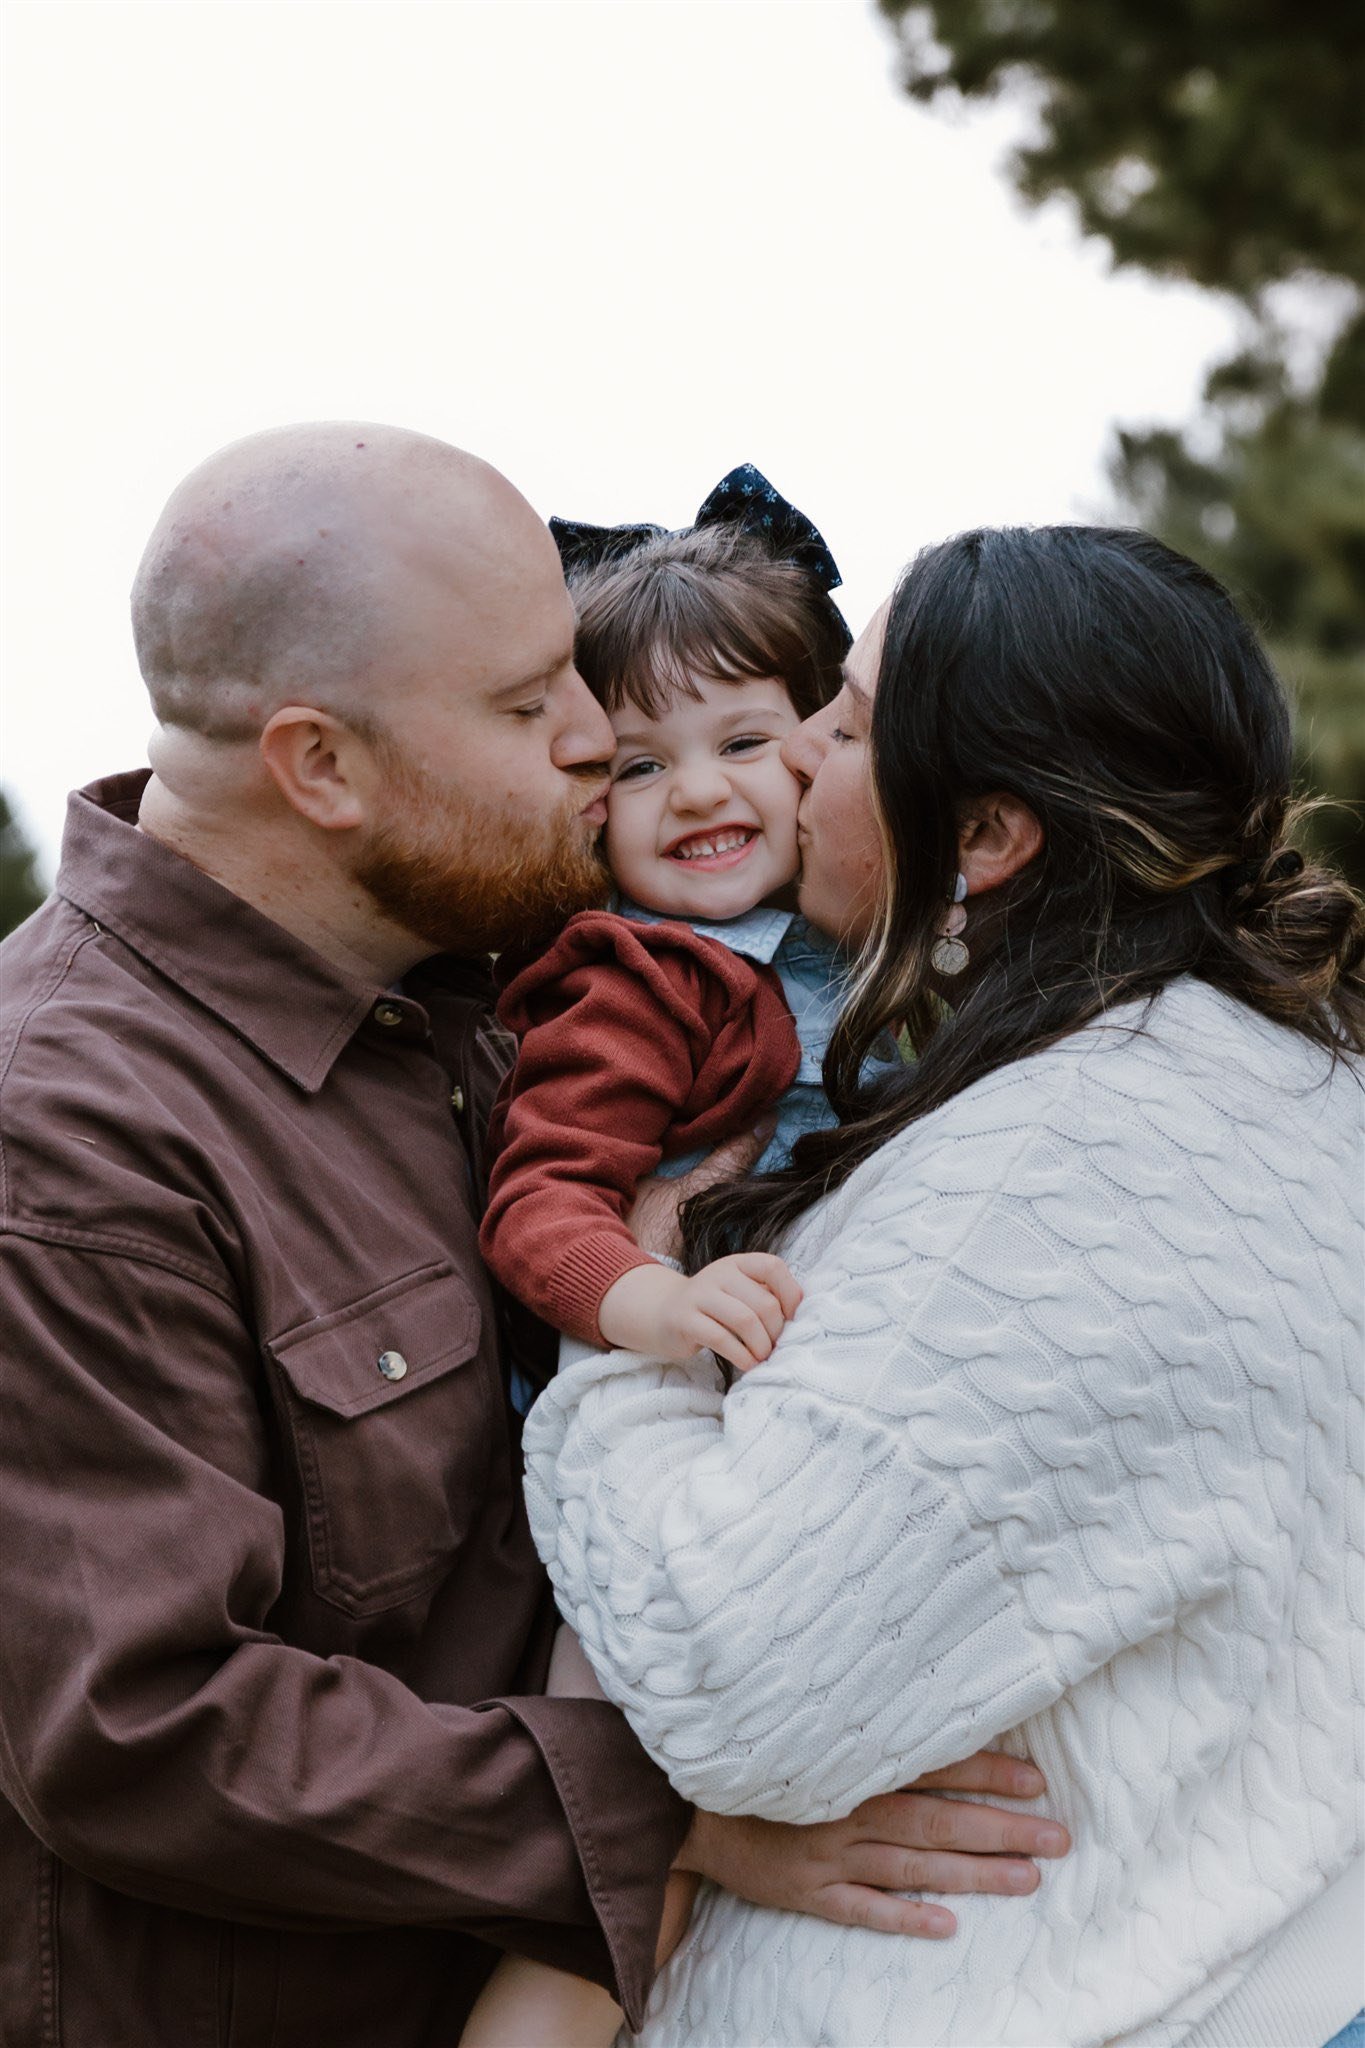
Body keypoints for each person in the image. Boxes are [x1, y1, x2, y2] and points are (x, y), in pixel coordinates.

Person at [0, 425, 1069, 2048]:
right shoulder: (64, 1140)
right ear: (322, 766)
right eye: (530, 707)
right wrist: (679, 1808)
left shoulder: (494, 986)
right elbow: (140, 1726)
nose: (597, 738)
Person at [522, 525, 1365, 2046]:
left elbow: (736, 1689)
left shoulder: (1062, 1154)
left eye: (837, 726)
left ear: (980, 836)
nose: (796, 772)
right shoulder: (1263, 1080)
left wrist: (625, 1336)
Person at [480, 466, 899, 1384]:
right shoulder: (639, 978)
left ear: (815, 743)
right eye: (640, 768)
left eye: (742, 743)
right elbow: (541, 1199)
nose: (699, 790)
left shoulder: (856, 933)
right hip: (675, 1385)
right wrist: (659, 1301)